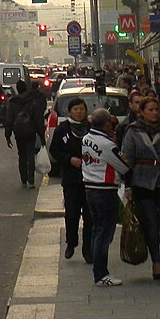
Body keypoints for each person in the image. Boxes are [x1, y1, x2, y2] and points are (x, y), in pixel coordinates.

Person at [121, 96, 160, 279]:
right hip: (142, 181)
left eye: (156, 109)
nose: (154, 113)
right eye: (150, 110)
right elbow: (127, 159)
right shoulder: (133, 131)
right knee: (150, 223)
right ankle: (156, 260)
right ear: (141, 112)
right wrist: (128, 185)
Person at [82, 108, 129, 286]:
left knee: (96, 228)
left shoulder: (87, 138)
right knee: (105, 232)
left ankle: (97, 268)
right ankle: (101, 273)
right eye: (111, 123)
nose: (113, 126)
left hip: (90, 188)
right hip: (105, 189)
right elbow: (124, 166)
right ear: (105, 124)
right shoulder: (107, 144)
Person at [49, 96, 92, 262]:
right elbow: (55, 150)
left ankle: (88, 249)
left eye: (81, 109)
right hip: (71, 180)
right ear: (70, 112)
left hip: (90, 180)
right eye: (76, 109)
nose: (79, 112)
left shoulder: (91, 128)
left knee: (90, 217)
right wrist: (69, 159)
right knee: (72, 214)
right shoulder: (62, 129)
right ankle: (71, 242)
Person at [5, 80, 45, 189]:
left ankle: (23, 180)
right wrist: (42, 136)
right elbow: (38, 119)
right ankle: (31, 181)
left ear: (17, 89)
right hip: (30, 131)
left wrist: (8, 136)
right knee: (30, 155)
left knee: (22, 155)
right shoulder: (32, 101)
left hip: (19, 132)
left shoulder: (13, 102)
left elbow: (9, 120)